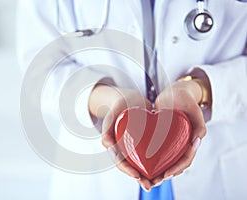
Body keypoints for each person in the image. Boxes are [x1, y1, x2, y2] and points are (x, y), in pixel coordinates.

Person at [17, 0, 247, 199]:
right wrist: (103, 99)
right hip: (96, 179)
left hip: (218, 165)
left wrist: (202, 89)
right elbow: (39, 72)